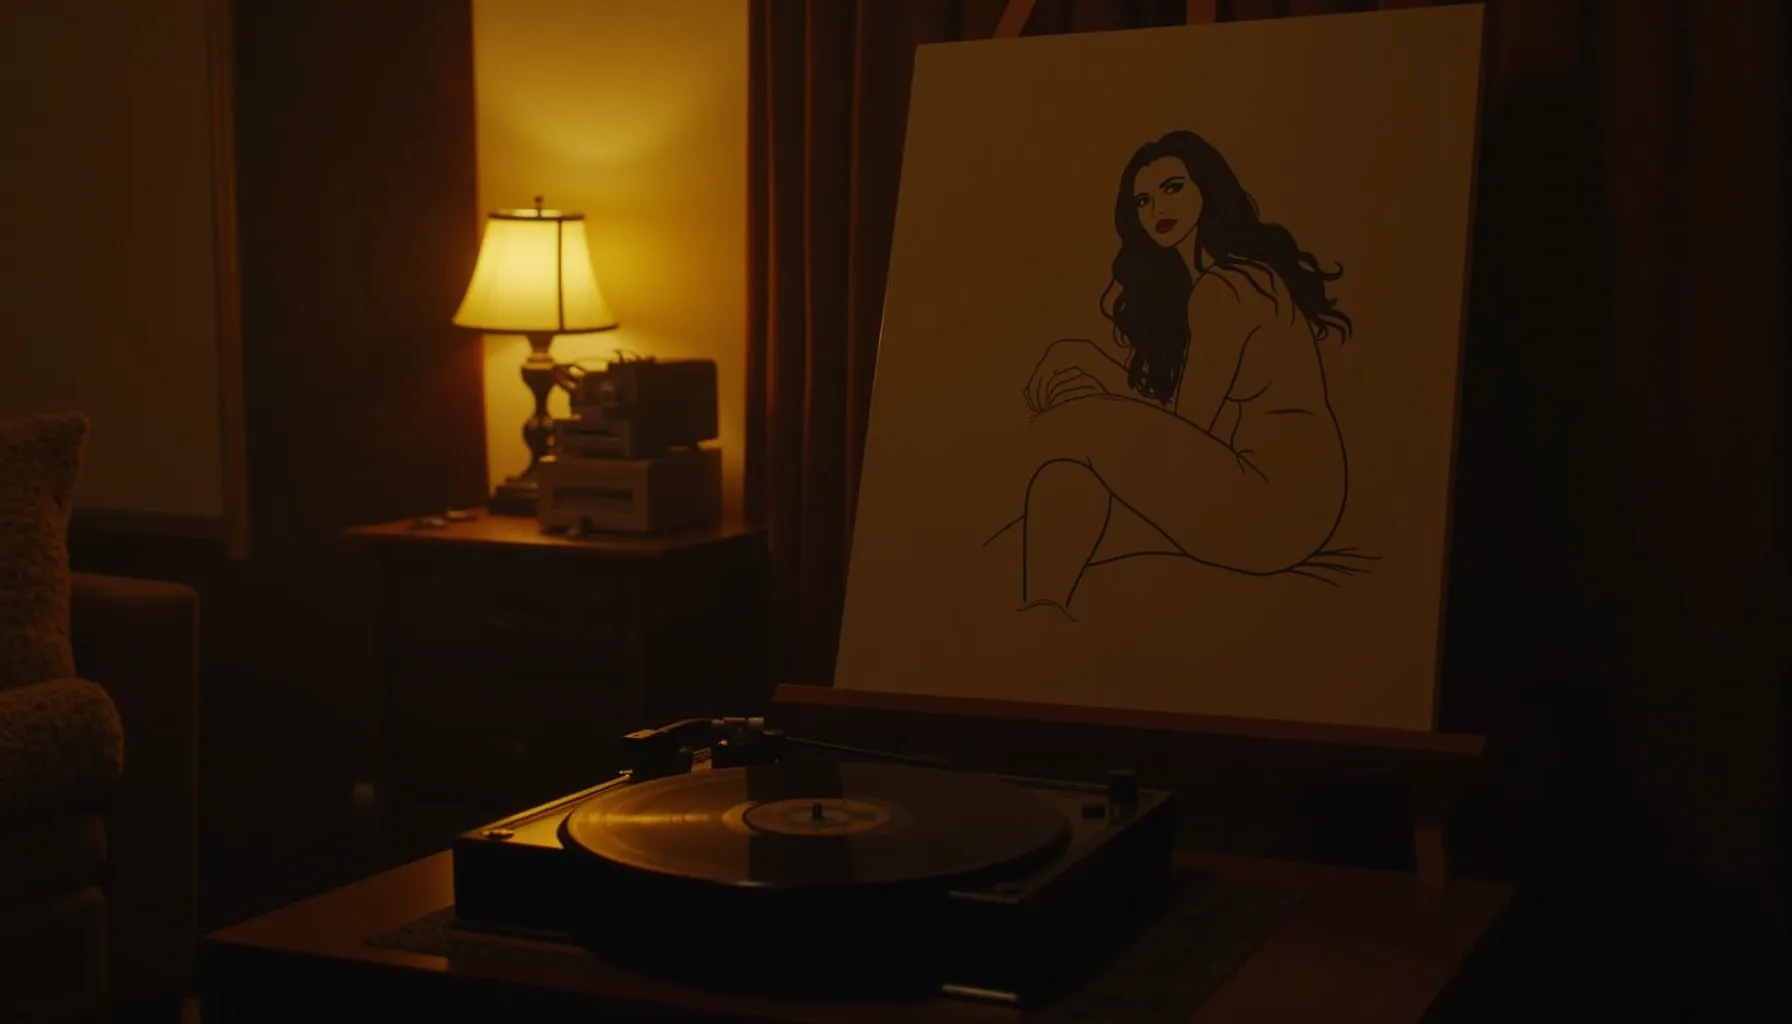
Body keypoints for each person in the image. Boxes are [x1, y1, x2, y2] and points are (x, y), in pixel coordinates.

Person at [984, 129, 1373, 618]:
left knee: (1086, 420)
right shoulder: (1219, 284)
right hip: (1287, 502)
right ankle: (1044, 613)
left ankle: (982, 480)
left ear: (1207, 189)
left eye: (1173, 188)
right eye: (1143, 200)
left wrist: (1083, 365)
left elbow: (1185, 428)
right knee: (1066, 480)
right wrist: (1086, 363)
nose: (1157, 209)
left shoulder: (1225, 289)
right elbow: (1173, 430)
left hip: (1275, 503)